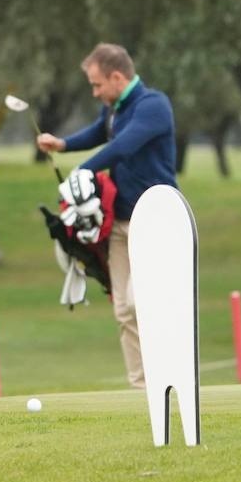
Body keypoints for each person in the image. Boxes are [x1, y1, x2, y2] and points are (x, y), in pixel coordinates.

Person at [37, 43, 176, 389]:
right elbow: (101, 133)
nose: (95, 92)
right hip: (119, 222)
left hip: (155, 219)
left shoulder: (153, 106)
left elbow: (122, 146)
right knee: (123, 309)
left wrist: (79, 173)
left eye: (98, 85)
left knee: (140, 302)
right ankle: (140, 387)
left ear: (117, 77)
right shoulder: (114, 109)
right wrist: (63, 145)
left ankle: (168, 379)